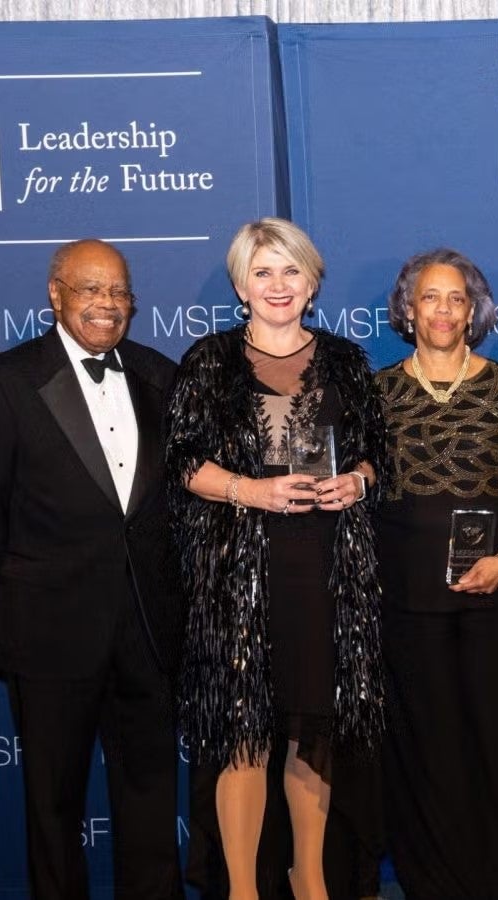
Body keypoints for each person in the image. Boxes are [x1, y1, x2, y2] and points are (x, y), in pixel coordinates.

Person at [0, 239, 183, 899]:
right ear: (56, 295)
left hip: (148, 627)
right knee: (53, 806)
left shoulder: (159, 374)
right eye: (90, 289)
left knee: (150, 797)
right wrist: (21, 582)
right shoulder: (5, 379)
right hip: (51, 627)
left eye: (118, 291)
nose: (106, 304)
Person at [165, 217, 386, 900]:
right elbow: (183, 462)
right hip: (240, 575)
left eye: (292, 270)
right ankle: (242, 888)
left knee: (311, 728)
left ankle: (309, 877)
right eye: (263, 272)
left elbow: (376, 455)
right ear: (241, 286)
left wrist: (358, 483)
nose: (278, 285)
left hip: (325, 572)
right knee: (245, 731)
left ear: (313, 282)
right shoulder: (209, 361)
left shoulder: (346, 361)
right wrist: (251, 490)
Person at [374, 248, 498, 900]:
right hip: (408, 600)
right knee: (429, 743)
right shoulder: (377, 393)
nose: (444, 310)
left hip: (493, 595)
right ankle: (437, 883)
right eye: (430, 297)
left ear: (474, 310)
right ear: (408, 308)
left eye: (457, 298)